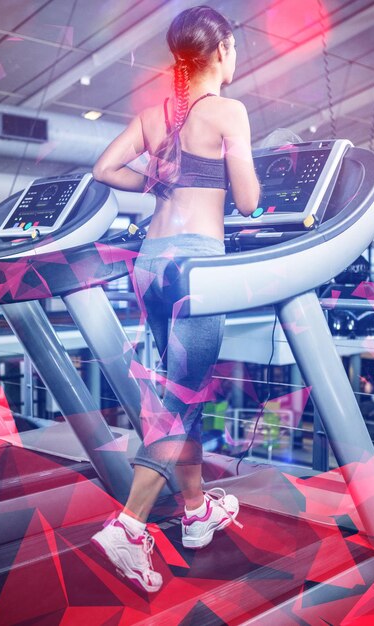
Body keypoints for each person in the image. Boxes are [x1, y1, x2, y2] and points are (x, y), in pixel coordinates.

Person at [90, 5, 260, 593]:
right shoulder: (228, 111)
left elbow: (105, 168)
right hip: (195, 267)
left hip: (149, 265)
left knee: (173, 392)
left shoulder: (154, 114)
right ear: (223, 50)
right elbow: (245, 199)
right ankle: (129, 526)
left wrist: (159, 182)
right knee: (181, 398)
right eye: (235, 50)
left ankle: (194, 511)